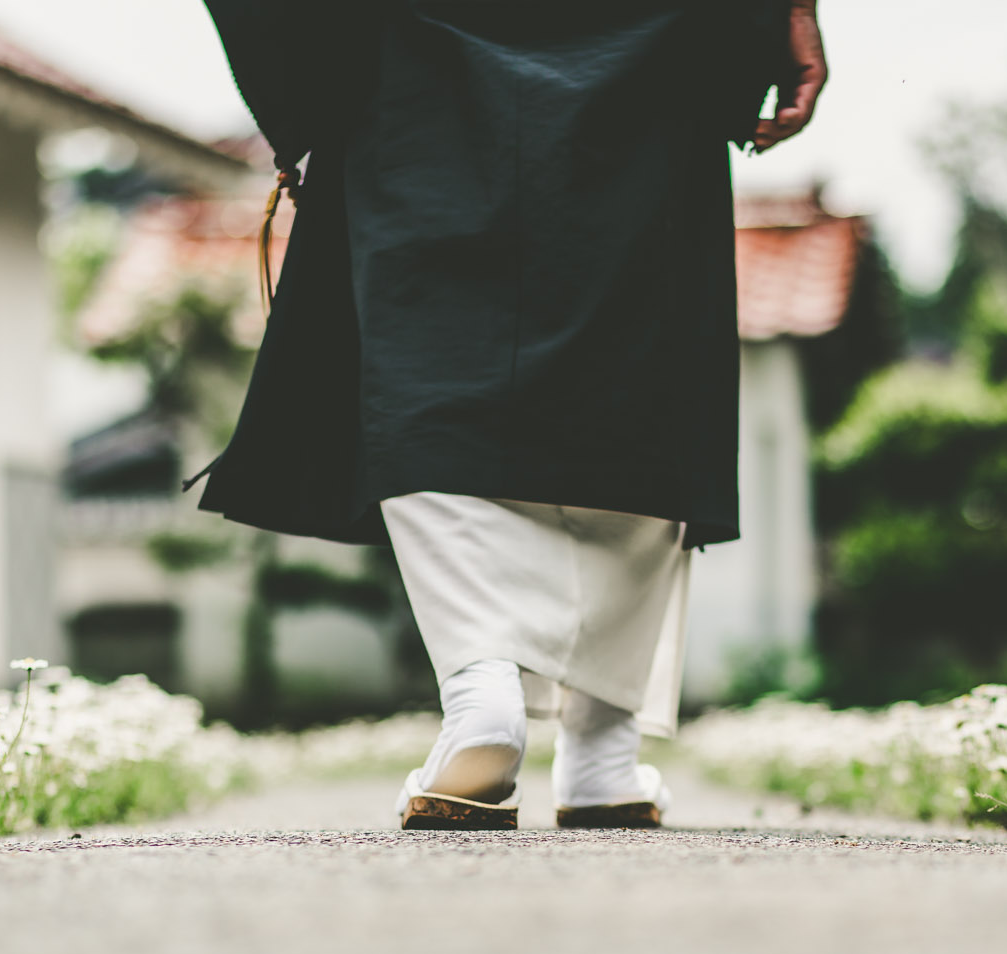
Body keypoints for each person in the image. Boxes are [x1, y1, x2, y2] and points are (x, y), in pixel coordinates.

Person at [196, 0, 829, 830]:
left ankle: (483, 692)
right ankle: (603, 742)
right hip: (651, 27)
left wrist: (300, 85)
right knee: (634, 326)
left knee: (427, 346)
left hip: (416, 32)